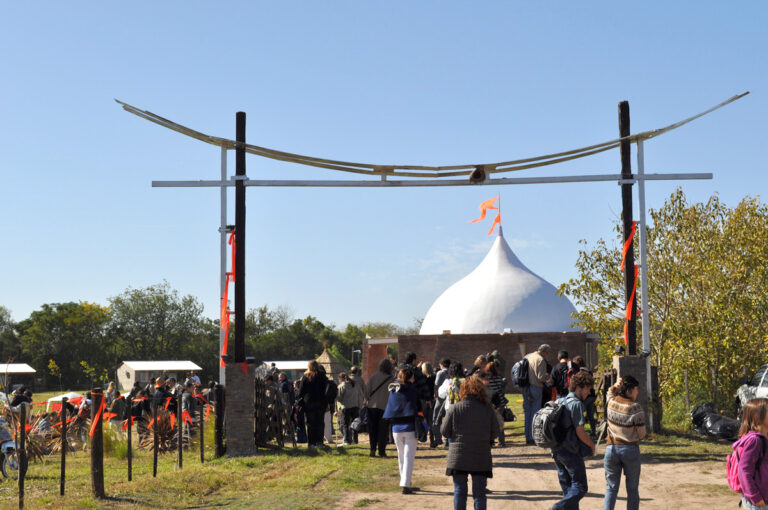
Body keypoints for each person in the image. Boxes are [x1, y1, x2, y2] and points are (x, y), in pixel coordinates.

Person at [441, 375, 500, 510]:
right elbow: (495, 431)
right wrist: (486, 438)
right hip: (481, 454)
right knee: (479, 493)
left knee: (459, 491)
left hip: (458, 455)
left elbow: (444, 431)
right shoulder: (487, 409)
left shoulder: (455, 408)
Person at [551, 370, 596, 510]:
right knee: (580, 487)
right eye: (587, 389)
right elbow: (580, 431)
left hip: (556, 450)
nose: (589, 392)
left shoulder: (560, 401)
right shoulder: (576, 404)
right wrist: (591, 445)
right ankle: (558, 507)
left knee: (568, 489)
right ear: (579, 387)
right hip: (570, 451)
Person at [603, 375, 647, 510]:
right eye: (636, 389)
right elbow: (642, 434)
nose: (637, 392)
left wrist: (616, 384)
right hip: (630, 450)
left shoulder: (611, 402)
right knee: (632, 489)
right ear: (629, 390)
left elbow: (609, 393)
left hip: (612, 449)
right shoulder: (635, 408)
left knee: (611, 488)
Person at [383, 367, 421, 494]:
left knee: (401, 457)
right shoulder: (411, 389)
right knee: (408, 457)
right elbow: (416, 406)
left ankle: (405, 481)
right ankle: (405, 485)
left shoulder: (393, 389)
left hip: (395, 428)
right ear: (410, 378)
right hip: (409, 427)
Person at [731, 397, 768, 509]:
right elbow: (744, 470)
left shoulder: (762, 438)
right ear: (758, 418)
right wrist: (755, 496)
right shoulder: (755, 440)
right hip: (758, 502)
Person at [522, 344, 552, 445]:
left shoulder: (528, 356)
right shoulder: (541, 360)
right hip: (536, 387)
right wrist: (547, 376)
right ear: (545, 352)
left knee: (527, 413)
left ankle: (527, 436)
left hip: (525, 387)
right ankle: (532, 437)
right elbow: (540, 377)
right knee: (535, 413)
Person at [367, 358, 395, 457]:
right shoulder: (391, 380)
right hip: (385, 407)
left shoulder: (373, 376)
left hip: (372, 406)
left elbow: (367, 391)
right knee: (383, 430)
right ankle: (382, 451)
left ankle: (372, 450)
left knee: (372, 429)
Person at [297, 360, 328, 448]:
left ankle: (311, 443)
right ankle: (319, 442)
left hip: (309, 402)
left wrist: (300, 401)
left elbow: (301, 391)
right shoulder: (322, 376)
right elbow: (326, 390)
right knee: (320, 423)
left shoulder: (306, 376)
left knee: (310, 423)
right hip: (321, 402)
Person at [336, 372, 363, 446]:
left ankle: (346, 440)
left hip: (346, 407)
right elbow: (360, 395)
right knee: (355, 424)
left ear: (340, 379)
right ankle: (355, 440)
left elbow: (339, 398)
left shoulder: (341, 386)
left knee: (345, 424)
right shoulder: (355, 385)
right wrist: (360, 405)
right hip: (355, 406)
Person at [485, 362, 507, 447]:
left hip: (491, 402)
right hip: (500, 401)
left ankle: (491, 441)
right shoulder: (499, 377)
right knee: (500, 421)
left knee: (490, 422)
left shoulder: (488, 379)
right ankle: (501, 441)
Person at [432, 358, 451, 448]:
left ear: (441, 364)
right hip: (450, 398)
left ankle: (438, 438)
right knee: (448, 418)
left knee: (436, 418)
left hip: (440, 397)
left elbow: (436, 387)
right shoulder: (451, 372)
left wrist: (435, 397)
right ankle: (447, 439)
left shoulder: (440, 373)